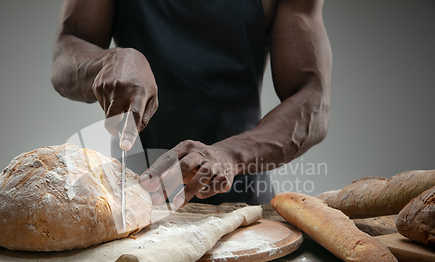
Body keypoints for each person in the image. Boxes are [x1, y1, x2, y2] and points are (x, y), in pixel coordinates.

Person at [51, 0, 332, 208]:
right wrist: (110, 60)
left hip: (241, 207)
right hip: (136, 200)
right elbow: (67, 51)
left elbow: (313, 98)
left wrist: (230, 155)